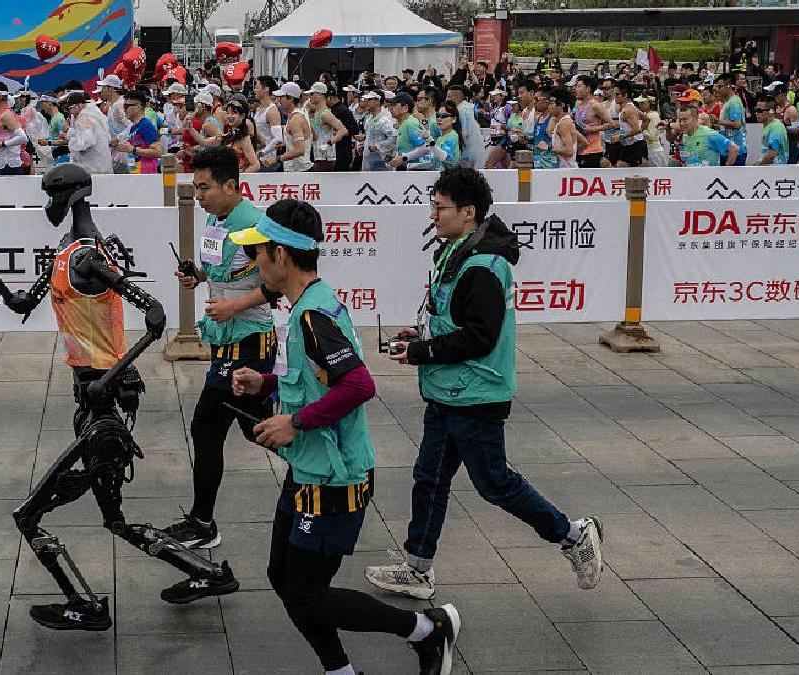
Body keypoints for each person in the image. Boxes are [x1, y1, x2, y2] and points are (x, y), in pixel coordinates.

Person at [228, 199, 462, 675]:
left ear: (281, 254)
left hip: (334, 481)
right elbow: (316, 376)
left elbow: (359, 385)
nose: (254, 263)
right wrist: (265, 383)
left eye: (257, 252)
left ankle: (427, 629)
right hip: (309, 469)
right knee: (283, 578)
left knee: (307, 595)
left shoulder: (314, 315)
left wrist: (294, 422)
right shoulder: (308, 306)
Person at [364, 168, 605, 604]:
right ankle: (417, 567)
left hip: (476, 394)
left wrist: (422, 352)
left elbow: (479, 337)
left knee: (494, 483)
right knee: (429, 479)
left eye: (440, 208)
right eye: (433, 206)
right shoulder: (457, 253)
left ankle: (573, 535)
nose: (433, 215)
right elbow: (455, 320)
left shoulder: (482, 266)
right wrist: (422, 336)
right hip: (449, 391)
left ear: (468, 212)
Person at [163, 147, 274, 549]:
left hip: (249, 342)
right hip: (226, 339)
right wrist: (196, 275)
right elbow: (220, 270)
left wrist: (234, 305)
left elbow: (277, 285)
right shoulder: (216, 218)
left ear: (231, 185)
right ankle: (320, 459)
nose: (199, 195)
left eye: (205, 187)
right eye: (196, 187)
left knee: (211, 425)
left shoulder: (256, 226)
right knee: (251, 426)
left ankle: (202, 524)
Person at [113, 89, 163, 174]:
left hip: (145, 175)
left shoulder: (145, 125)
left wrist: (132, 149)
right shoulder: (134, 127)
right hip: (135, 173)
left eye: (127, 106)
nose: (124, 110)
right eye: (124, 106)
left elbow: (158, 152)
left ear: (138, 106)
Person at [64, 90, 113, 174]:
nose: (70, 111)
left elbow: (86, 142)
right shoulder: (94, 114)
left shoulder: (84, 118)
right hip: (101, 162)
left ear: (79, 105)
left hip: (93, 166)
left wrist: (71, 141)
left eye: (70, 108)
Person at [267, 82, 311, 172]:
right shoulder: (299, 115)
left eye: (281, 97)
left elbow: (300, 150)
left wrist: (276, 159)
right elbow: (311, 137)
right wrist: (287, 142)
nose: (278, 100)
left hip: (299, 171)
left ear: (290, 98)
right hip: (297, 170)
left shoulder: (296, 119)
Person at [572, 75, 612, 168]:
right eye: (576, 86)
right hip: (578, 149)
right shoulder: (577, 105)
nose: (575, 89)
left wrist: (592, 129)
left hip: (593, 151)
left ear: (588, 89)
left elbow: (611, 123)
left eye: (579, 86)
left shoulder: (595, 105)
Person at [307, 82, 346, 172]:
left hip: (326, 157)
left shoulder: (325, 113)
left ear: (320, 94)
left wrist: (330, 142)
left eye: (312, 94)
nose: (310, 96)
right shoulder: (316, 112)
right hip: (317, 155)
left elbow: (342, 130)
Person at [711, 73, 747, 166]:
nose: (717, 89)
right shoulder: (728, 102)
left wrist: (717, 121)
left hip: (736, 150)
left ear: (729, 86)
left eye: (720, 86)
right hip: (727, 148)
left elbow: (737, 124)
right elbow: (725, 126)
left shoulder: (734, 101)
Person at [356, 89, 396, 171]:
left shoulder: (385, 120)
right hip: (368, 160)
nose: (366, 102)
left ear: (378, 101)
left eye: (370, 99)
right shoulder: (369, 119)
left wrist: (377, 146)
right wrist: (364, 143)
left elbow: (393, 139)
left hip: (381, 161)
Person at [252, 76, 283, 171]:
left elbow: (278, 139)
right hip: (257, 158)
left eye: (256, 87)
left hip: (267, 161)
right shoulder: (258, 109)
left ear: (265, 89)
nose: (254, 90)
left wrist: (262, 153)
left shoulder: (272, 111)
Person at [754, 98, 788, 166]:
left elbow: (772, 154)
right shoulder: (769, 126)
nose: (757, 113)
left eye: (760, 110)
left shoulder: (776, 127)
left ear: (771, 111)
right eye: (756, 110)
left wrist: (759, 164)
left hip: (777, 170)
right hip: (770, 169)